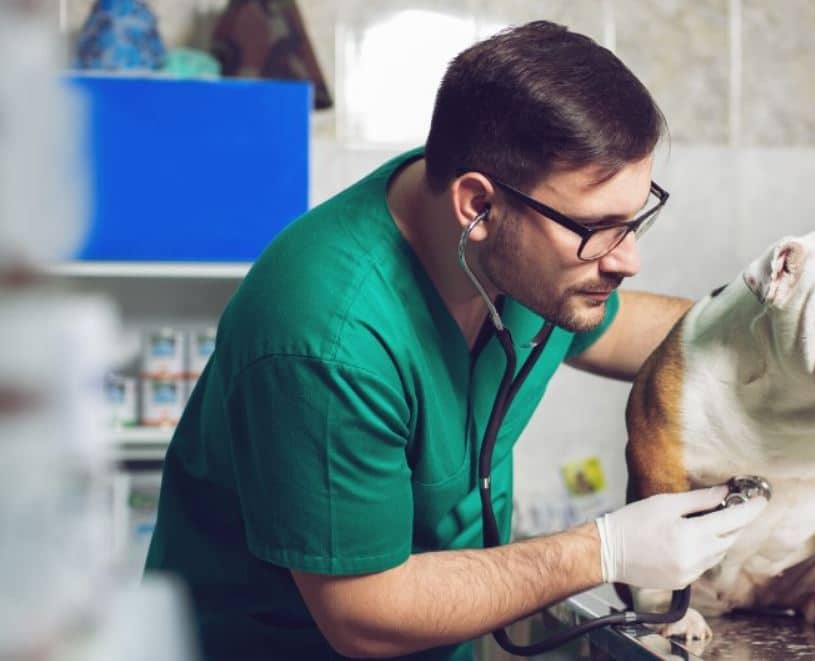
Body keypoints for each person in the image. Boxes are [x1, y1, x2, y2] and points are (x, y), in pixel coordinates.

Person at [144, 21, 766, 660]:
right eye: (597, 227)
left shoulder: (525, 261)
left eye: (634, 219)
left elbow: (654, 336)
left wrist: (798, 329)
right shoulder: (325, 336)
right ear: (478, 205)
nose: (626, 258)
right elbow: (364, 614)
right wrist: (604, 549)